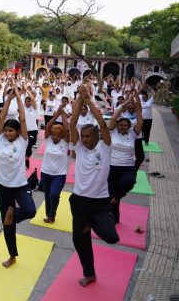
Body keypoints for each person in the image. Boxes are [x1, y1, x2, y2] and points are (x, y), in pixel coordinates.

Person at [69, 85, 119, 287]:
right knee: (80, 241)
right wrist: (79, 99)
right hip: (79, 201)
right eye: (84, 136)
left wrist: (89, 100)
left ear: (97, 136)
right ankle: (89, 273)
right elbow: (72, 125)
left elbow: (104, 126)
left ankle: (93, 223)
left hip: (99, 203)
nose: (85, 139)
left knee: (111, 237)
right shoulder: (79, 149)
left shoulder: (105, 147)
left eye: (89, 136)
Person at [0, 81, 36, 269]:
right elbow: (2, 116)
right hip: (4, 187)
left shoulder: (22, 141)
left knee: (30, 211)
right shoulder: (1, 140)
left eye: (11, 130)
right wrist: (8, 98)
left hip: (20, 185)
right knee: (7, 225)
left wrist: (19, 98)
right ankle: (12, 256)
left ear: (18, 132)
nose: (8, 132)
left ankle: (13, 212)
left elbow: (22, 118)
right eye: (6, 130)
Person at [107, 94, 142, 223]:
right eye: (120, 125)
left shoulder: (133, 134)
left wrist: (137, 108)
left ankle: (117, 197)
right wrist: (125, 103)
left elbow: (140, 122)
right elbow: (114, 116)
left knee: (129, 182)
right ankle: (114, 218)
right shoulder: (113, 131)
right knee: (111, 193)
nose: (122, 127)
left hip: (128, 167)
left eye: (125, 125)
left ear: (129, 127)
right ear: (117, 126)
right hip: (112, 166)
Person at [41, 106, 70, 223]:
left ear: (62, 135)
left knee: (54, 195)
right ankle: (50, 215)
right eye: (54, 134)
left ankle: (52, 214)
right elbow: (48, 126)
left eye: (58, 135)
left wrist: (62, 114)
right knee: (47, 196)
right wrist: (56, 114)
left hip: (59, 174)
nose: (56, 137)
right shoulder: (48, 140)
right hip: (45, 172)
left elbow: (67, 130)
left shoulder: (65, 142)